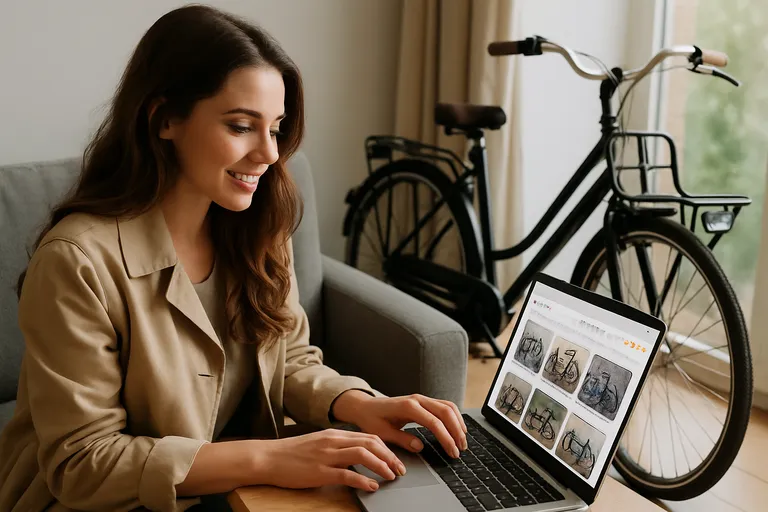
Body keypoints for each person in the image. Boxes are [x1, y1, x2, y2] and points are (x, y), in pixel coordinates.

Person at [0, 5, 467, 511]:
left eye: (276, 127)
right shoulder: (78, 262)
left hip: (230, 492)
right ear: (164, 119)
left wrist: (361, 404)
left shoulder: (259, 227)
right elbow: (83, 464)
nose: (269, 154)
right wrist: (269, 459)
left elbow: (287, 357)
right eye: (242, 126)